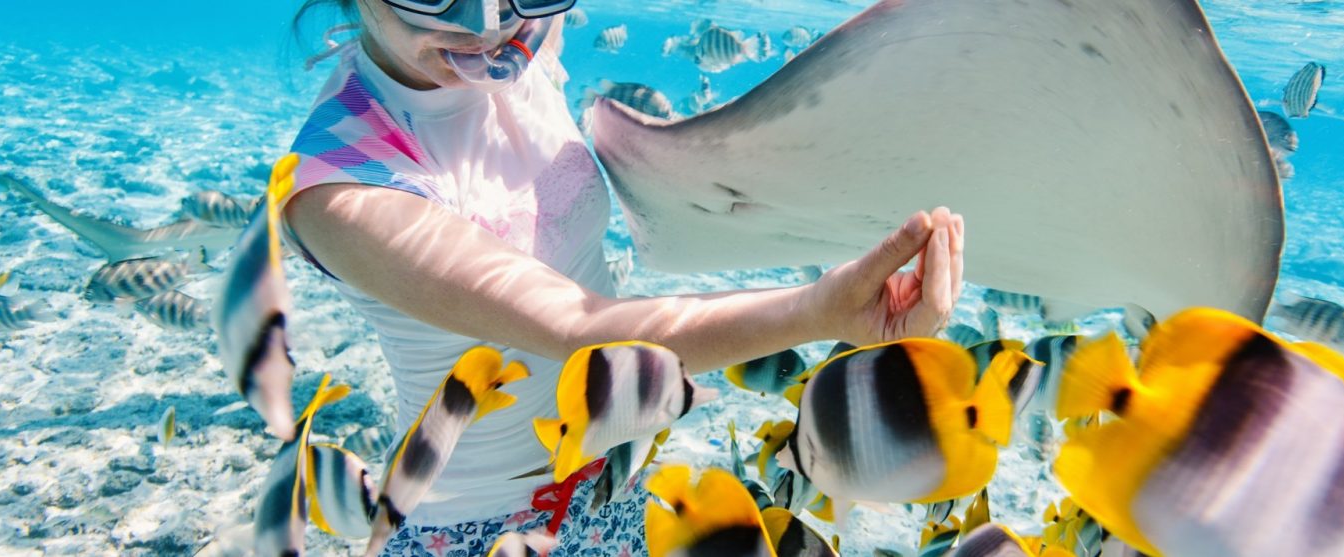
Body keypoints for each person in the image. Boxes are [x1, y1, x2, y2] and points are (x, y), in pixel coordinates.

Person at [282, 0, 966, 554]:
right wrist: (820, 311)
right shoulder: (340, 185)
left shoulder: (531, 37)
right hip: (469, 533)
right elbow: (579, 329)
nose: (485, 25)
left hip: (611, 475)